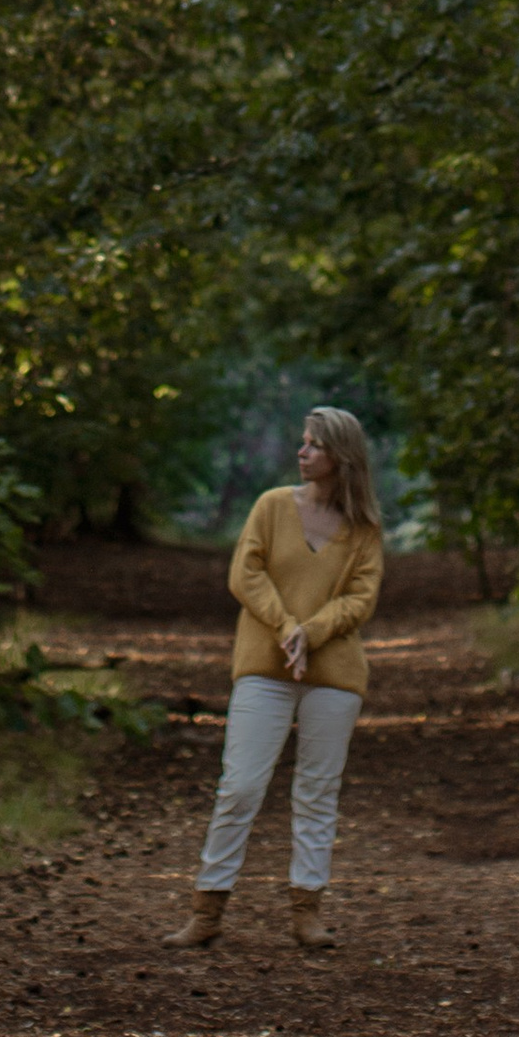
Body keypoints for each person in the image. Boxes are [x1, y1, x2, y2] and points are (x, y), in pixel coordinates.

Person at [173, 406, 385, 953]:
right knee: (240, 786)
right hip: (264, 667)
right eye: (303, 442)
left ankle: (307, 910)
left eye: (314, 445)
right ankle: (208, 908)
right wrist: (287, 627)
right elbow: (245, 573)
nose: (302, 452)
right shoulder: (271, 506)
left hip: (334, 674)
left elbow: (361, 598)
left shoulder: (364, 529)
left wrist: (312, 633)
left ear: (341, 457)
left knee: (317, 792)